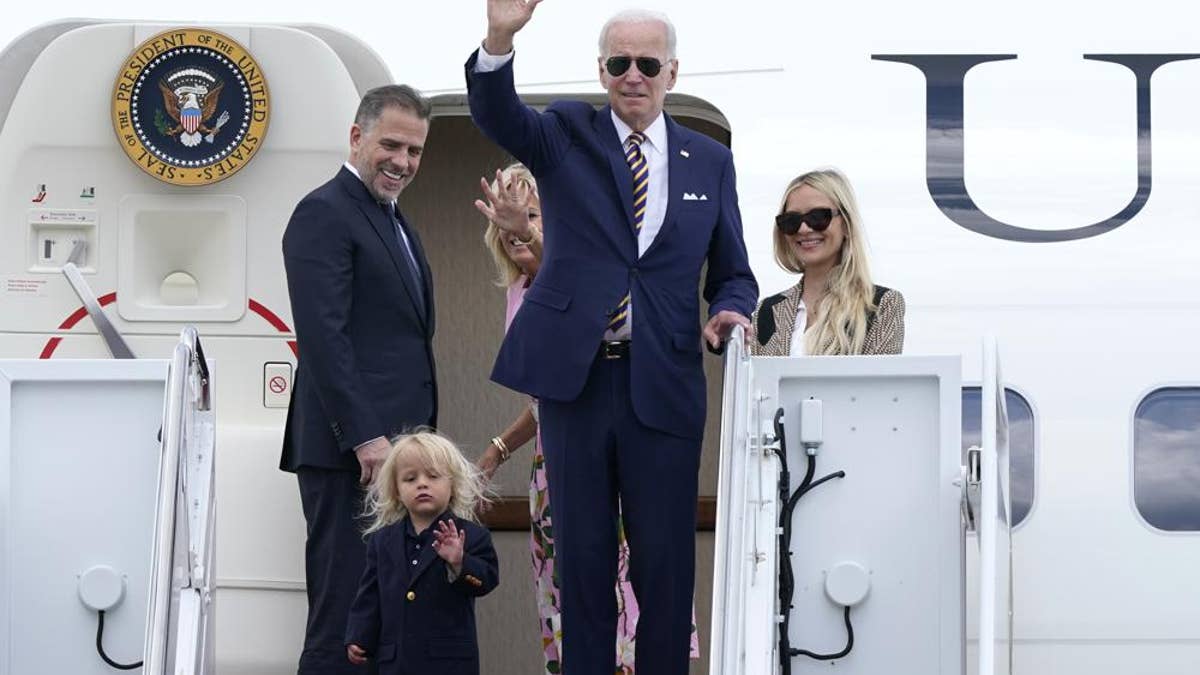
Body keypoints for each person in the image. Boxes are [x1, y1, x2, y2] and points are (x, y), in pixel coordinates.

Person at [465, 4, 759, 673]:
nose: (633, 75)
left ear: (672, 72)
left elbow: (734, 272)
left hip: (664, 384)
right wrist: (500, 39)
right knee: (585, 569)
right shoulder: (568, 132)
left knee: (664, 572)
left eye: (648, 64)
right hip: (578, 384)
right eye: (619, 62)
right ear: (601, 70)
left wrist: (731, 312)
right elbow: (498, 114)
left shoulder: (709, 161)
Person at [473, 163, 701, 672]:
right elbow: (548, 393)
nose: (514, 230)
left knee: (631, 592)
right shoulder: (519, 292)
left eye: (530, 216)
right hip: (555, 462)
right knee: (569, 600)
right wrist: (499, 448)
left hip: (618, 457)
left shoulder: (591, 274)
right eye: (505, 221)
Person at [280, 84, 436, 675]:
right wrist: (365, 436)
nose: (402, 161)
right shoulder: (324, 212)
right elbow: (323, 337)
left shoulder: (396, 222)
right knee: (341, 617)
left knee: (378, 619)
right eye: (391, 144)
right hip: (355, 455)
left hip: (395, 455)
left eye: (414, 151)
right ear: (356, 137)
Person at [345, 431, 498, 675]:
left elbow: (486, 581)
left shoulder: (471, 535)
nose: (422, 483)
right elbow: (370, 595)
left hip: (448, 663)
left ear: (453, 485)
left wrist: (459, 563)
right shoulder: (382, 541)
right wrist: (359, 635)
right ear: (396, 491)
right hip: (395, 663)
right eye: (410, 478)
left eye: (433, 476)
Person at [751, 169, 905, 356]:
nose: (804, 228)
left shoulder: (881, 305)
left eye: (818, 217)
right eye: (791, 220)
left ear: (847, 225)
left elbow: (881, 383)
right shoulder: (766, 311)